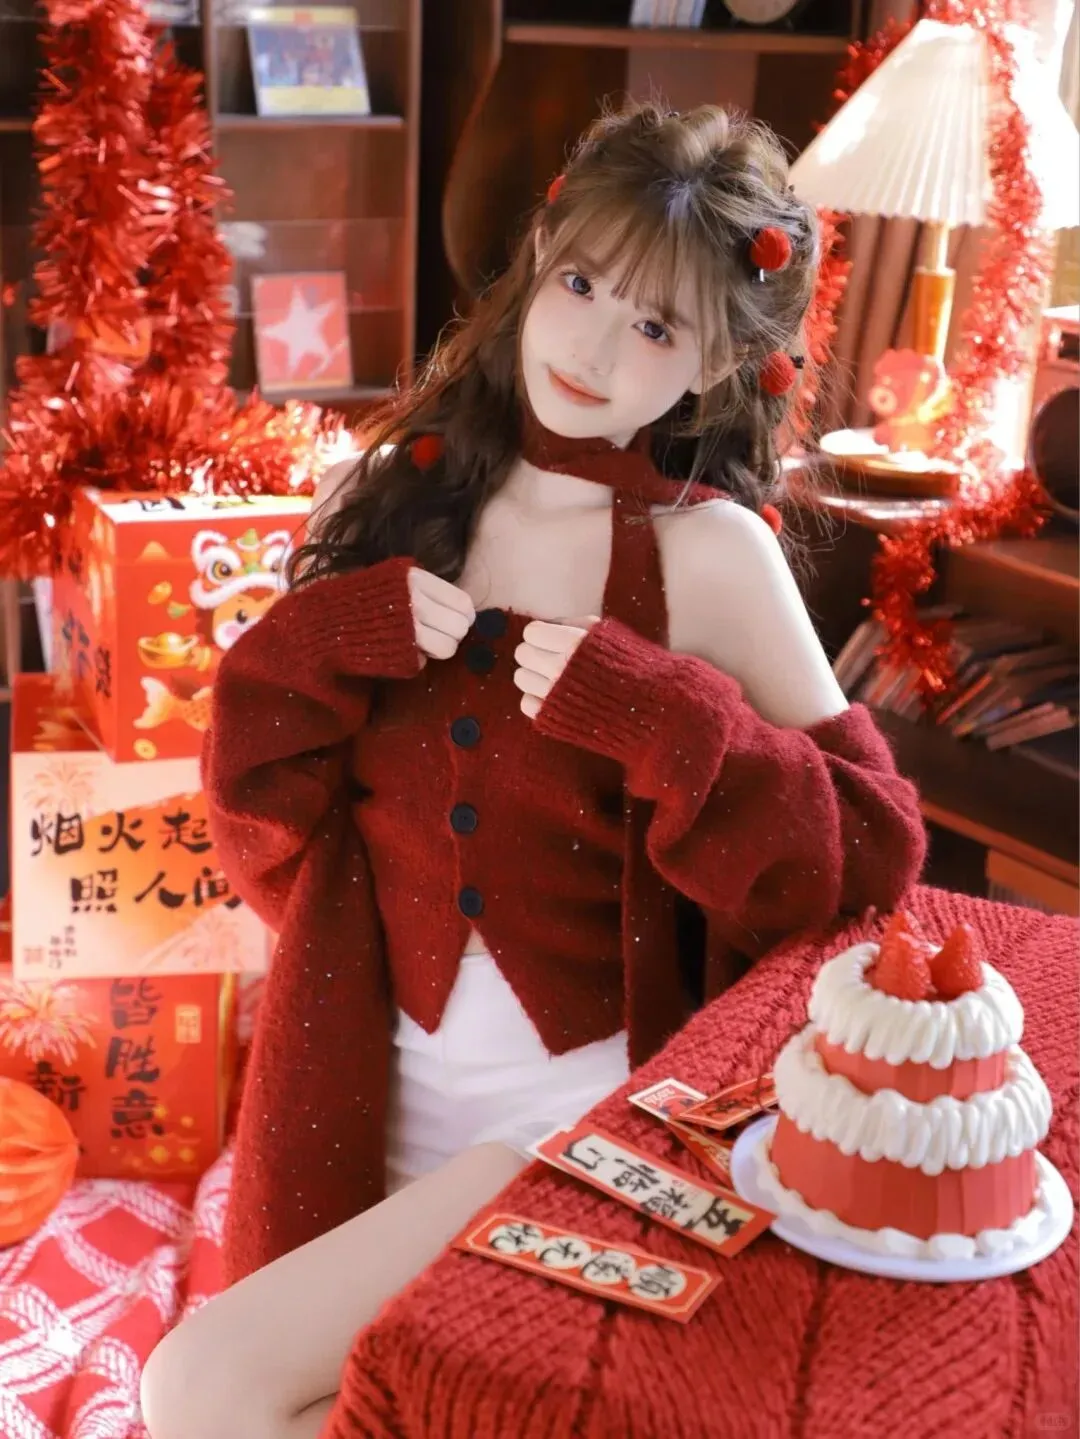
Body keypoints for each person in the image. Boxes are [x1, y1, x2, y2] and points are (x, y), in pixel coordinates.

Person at [140, 101, 925, 1438]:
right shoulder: (401, 495)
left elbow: (871, 855)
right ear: (540, 257)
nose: (595, 347)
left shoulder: (708, 554)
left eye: (659, 328)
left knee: (201, 1388)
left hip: (586, 1115)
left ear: (720, 366)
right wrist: (322, 638)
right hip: (358, 1096)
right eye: (581, 286)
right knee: (362, 1398)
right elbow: (258, 828)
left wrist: (671, 717)